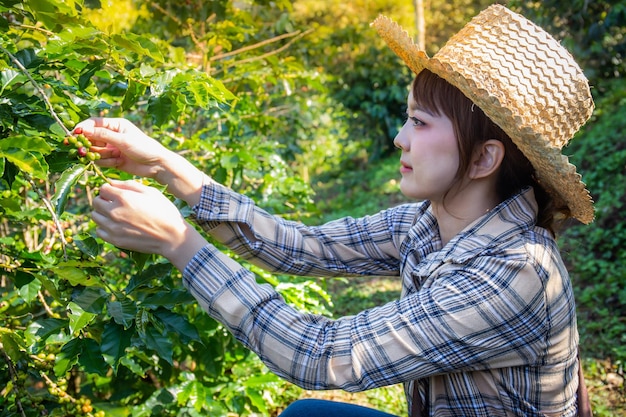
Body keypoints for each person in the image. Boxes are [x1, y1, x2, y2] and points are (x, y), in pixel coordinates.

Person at [81, 4, 595, 417]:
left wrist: (179, 244)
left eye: (419, 122)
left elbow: (322, 354)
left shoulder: (515, 272)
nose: (399, 138)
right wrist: (167, 165)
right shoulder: (430, 223)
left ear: (484, 157)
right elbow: (302, 248)